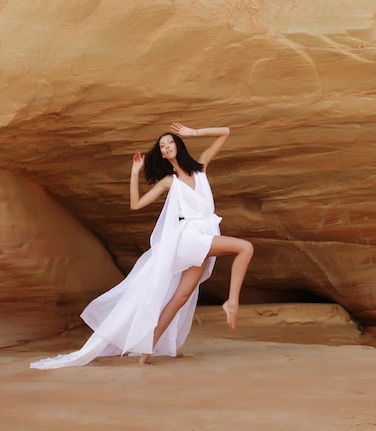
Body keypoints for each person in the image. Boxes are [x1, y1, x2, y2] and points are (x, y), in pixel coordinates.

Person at [30, 122, 252, 369]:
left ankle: (145, 353)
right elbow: (136, 204)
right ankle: (232, 301)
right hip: (190, 237)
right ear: (163, 154)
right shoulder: (170, 181)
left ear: (178, 145)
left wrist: (193, 132)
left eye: (170, 142)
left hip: (203, 233)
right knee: (245, 247)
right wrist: (135, 172)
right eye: (162, 146)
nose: (167, 147)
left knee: (180, 297)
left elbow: (226, 132)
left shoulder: (200, 169)